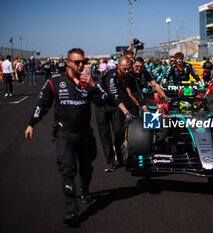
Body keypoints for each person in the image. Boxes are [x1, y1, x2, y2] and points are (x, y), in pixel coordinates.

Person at [24, 48, 106, 225]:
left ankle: (84, 188)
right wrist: (32, 123)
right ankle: (71, 209)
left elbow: (103, 100)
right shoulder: (55, 81)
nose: (80, 65)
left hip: (85, 134)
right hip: (64, 134)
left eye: (82, 62)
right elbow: (42, 104)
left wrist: (93, 83)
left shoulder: (90, 81)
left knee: (87, 167)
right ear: (68, 63)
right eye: (76, 62)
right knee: (67, 170)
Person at [95, 56, 138, 172]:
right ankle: (110, 163)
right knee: (105, 135)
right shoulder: (111, 76)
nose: (127, 71)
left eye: (129, 69)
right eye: (124, 69)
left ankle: (119, 152)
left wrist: (142, 106)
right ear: (118, 66)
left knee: (119, 131)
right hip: (102, 106)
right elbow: (114, 96)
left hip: (115, 106)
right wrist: (126, 112)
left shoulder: (129, 76)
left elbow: (133, 92)